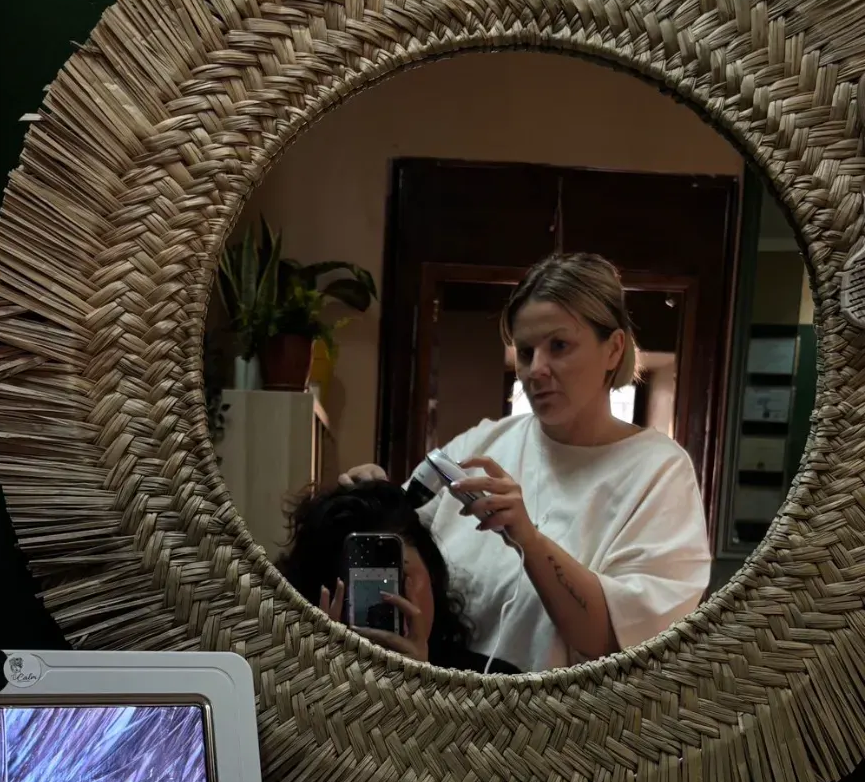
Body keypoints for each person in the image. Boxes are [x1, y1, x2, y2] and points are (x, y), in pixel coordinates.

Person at [341, 252, 711, 674]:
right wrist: (370, 504)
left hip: (565, 728)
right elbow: (405, 549)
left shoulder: (659, 472)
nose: (536, 370)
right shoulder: (483, 443)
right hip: (442, 716)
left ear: (613, 349)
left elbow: (613, 639)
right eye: (525, 351)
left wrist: (528, 541)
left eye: (559, 346)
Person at [277, 481, 517, 672]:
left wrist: (420, 683)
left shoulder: (493, 686)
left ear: (431, 571)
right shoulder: (292, 683)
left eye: (399, 578)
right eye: (361, 586)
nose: (386, 598)